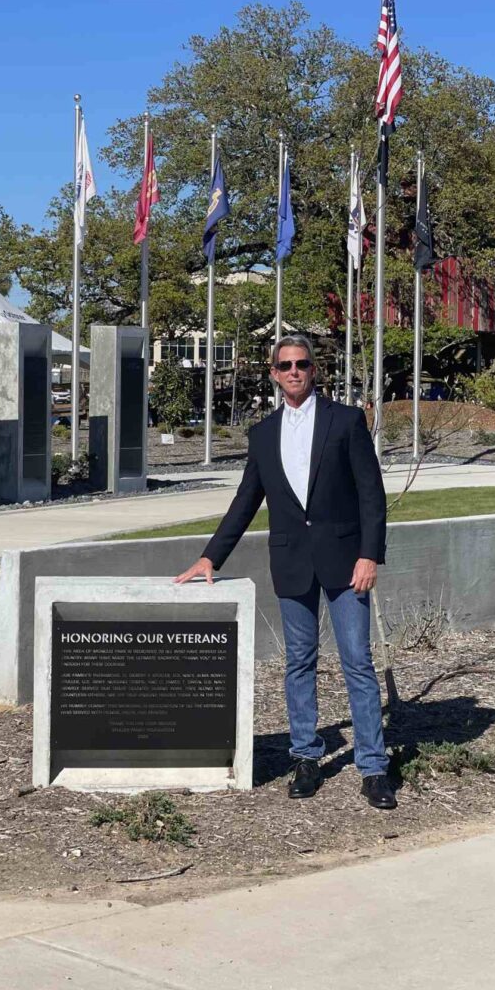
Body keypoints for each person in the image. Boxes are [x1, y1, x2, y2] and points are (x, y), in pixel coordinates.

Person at [175, 336, 395, 809]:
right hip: (292, 562)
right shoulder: (262, 434)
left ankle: (373, 767)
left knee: (357, 661)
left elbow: (371, 496)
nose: (294, 371)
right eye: (285, 365)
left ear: (314, 370)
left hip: (345, 562)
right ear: (273, 374)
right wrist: (212, 556)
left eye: (302, 364)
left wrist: (369, 554)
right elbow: (245, 502)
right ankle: (306, 758)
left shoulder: (346, 420)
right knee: (299, 662)